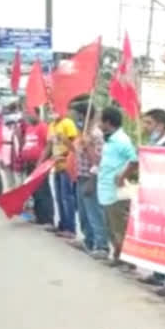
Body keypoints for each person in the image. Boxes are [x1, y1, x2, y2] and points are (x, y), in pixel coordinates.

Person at [136, 108, 165, 297]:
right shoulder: (152, 144)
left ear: (160, 125)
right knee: (157, 238)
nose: (146, 127)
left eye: (149, 123)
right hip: (154, 199)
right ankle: (158, 273)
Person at [97, 107, 138, 270]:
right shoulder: (109, 140)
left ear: (108, 122)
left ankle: (128, 260)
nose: (99, 124)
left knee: (120, 227)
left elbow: (135, 160)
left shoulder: (122, 140)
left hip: (117, 192)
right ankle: (118, 255)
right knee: (111, 227)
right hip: (105, 189)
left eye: (101, 121)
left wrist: (122, 176)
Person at [70, 103, 110, 259]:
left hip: (91, 177)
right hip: (81, 175)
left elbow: (98, 161)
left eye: (76, 115)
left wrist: (88, 147)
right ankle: (89, 240)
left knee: (94, 212)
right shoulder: (84, 133)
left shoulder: (96, 135)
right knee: (84, 212)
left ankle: (102, 246)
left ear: (83, 115)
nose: (74, 119)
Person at [42, 111, 79, 238]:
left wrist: (63, 148)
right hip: (56, 165)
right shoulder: (51, 126)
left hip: (66, 165)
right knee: (58, 197)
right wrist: (41, 162)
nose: (53, 112)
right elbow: (49, 146)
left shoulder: (68, 123)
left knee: (67, 198)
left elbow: (74, 146)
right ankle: (62, 224)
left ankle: (71, 228)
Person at [20, 114, 55, 226]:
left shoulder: (43, 127)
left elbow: (49, 145)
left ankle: (47, 219)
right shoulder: (29, 128)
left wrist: (42, 162)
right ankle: (38, 216)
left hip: (40, 165)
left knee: (43, 191)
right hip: (29, 164)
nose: (28, 117)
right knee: (34, 192)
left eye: (30, 113)